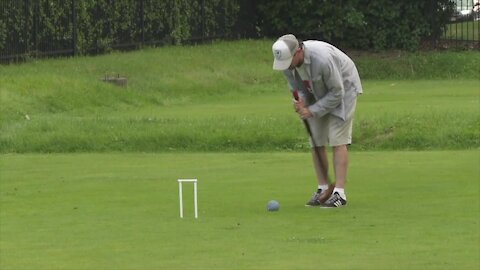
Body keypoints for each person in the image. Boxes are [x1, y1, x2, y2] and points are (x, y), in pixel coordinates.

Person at [271, 34, 363, 208]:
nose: (288, 65)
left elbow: (337, 92)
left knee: (337, 138)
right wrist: (301, 102)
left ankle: (339, 193)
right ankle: (323, 188)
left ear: (298, 51)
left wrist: (312, 110)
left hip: (343, 87)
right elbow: (298, 88)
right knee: (316, 139)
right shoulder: (286, 63)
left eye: (290, 60)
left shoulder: (322, 59)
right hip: (315, 90)